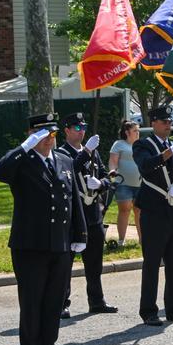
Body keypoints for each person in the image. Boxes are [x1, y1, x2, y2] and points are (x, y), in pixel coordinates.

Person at [0, 113, 87, 345]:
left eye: (52, 134)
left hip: (59, 243)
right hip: (30, 246)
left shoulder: (64, 160)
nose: (48, 139)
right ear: (31, 135)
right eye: (42, 134)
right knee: (33, 302)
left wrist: (80, 234)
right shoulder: (22, 162)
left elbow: (73, 200)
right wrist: (23, 148)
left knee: (54, 301)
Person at [134, 105, 173, 326]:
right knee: (152, 264)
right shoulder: (143, 145)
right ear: (154, 123)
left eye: (170, 121)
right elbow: (146, 166)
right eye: (164, 121)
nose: (169, 124)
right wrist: (169, 153)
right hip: (154, 213)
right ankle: (148, 310)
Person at [57, 112, 117, 317]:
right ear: (66, 130)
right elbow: (67, 170)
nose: (81, 132)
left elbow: (105, 175)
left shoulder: (92, 152)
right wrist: (86, 152)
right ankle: (62, 303)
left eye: (83, 128)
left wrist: (101, 183)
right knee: (66, 264)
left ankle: (97, 300)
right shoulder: (61, 153)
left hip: (92, 214)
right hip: (73, 216)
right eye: (77, 128)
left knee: (95, 262)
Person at [109, 120, 141, 246]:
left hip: (140, 184)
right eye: (135, 131)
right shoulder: (118, 144)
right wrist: (112, 170)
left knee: (139, 211)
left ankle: (142, 240)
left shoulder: (141, 144)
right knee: (124, 210)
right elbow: (113, 161)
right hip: (123, 184)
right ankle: (121, 240)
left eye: (138, 130)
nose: (138, 133)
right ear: (127, 132)